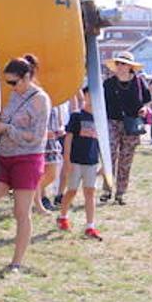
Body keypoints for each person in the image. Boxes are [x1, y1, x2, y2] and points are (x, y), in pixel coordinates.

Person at [0, 55, 51, 273]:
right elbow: (5, 122)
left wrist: (7, 129)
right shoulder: (15, 97)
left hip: (27, 160)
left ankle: (16, 262)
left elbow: (36, 137)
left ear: (27, 77)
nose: (11, 87)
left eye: (14, 83)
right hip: (4, 158)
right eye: (8, 83)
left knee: (21, 212)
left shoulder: (41, 99)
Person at [102, 51, 151, 205]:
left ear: (130, 66)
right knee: (109, 156)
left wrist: (144, 109)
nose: (120, 66)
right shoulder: (108, 83)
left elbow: (147, 101)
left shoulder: (139, 82)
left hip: (132, 123)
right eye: (118, 63)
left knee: (126, 158)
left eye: (123, 63)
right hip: (112, 122)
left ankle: (120, 193)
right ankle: (107, 190)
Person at [57, 86, 104, 239]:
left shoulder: (100, 117)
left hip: (91, 161)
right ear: (84, 96)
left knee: (90, 192)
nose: (92, 99)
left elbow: (103, 142)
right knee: (72, 191)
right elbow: (69, 139)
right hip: (76, 160)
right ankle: (63, 216)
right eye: (89, 95)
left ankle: (90, 226)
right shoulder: (77, 116)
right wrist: (67, 160)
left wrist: (104, 164)